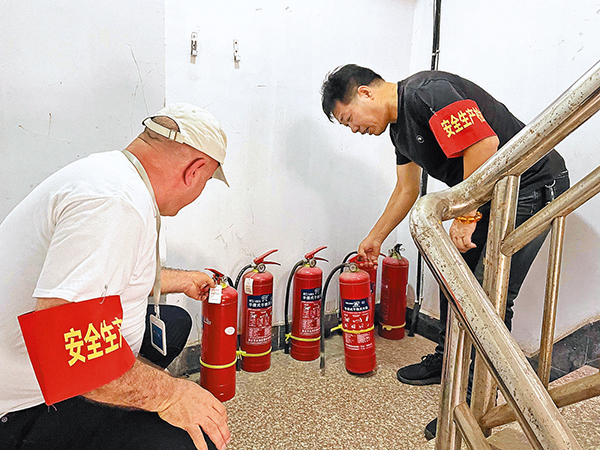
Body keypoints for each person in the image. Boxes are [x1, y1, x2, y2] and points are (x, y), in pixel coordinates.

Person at [321, 65, 569, 439]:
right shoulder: (398, 132)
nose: (354, 129)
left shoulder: (427, 91)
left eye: (348, 118)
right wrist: (376, 236)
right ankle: (448, 360)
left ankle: (474, 401)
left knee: (490, 294)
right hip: (492, 192)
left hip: (531, 186)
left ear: (366, 94)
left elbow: (482, 145)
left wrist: (466, 214)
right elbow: (407, 190)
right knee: (454, 278)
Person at [0, 103, 232, 450]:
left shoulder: (109, 173)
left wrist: (182, 279)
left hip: (28, 360)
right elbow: (65, 354)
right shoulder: (115, 203)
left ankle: (122, 383)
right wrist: (171, 394)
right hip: (26, 402)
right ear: (195, 171)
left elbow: (113, 275)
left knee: (175, 321)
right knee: (192, 441)